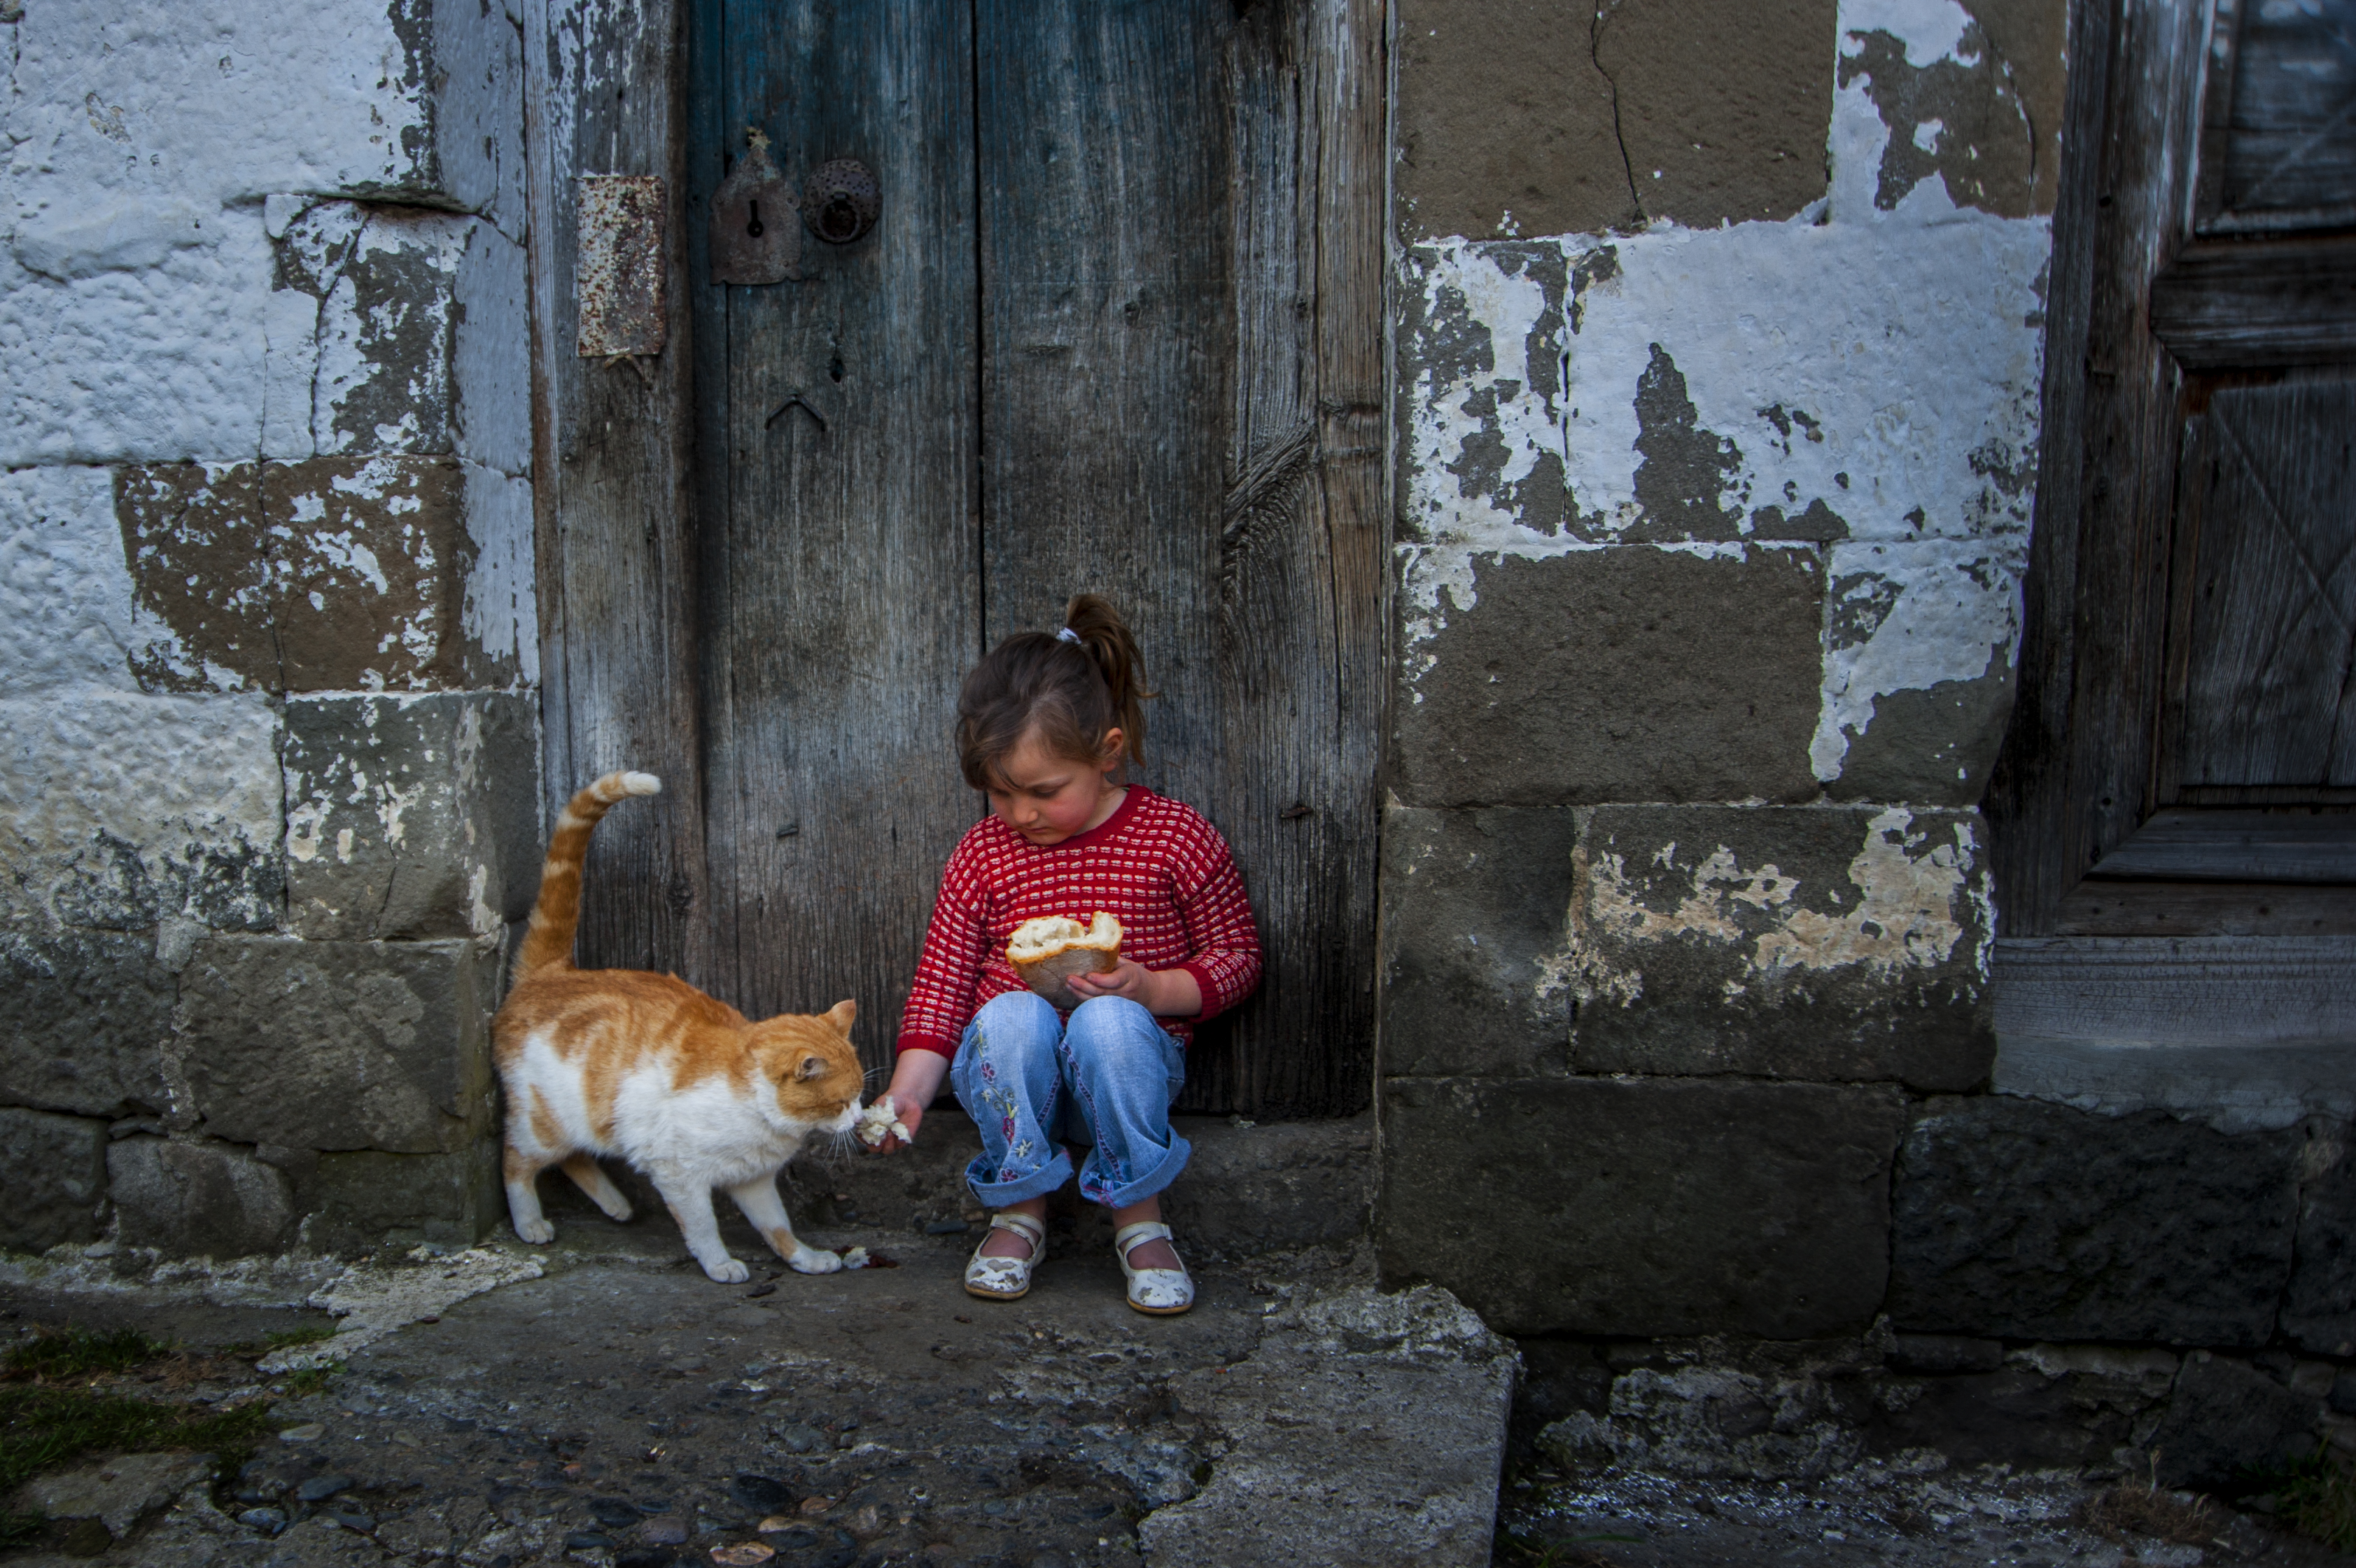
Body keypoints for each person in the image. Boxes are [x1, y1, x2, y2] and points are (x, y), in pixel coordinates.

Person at [863, 594, 1261, 1315]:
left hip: (1129, 1071)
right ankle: (1020, 1211)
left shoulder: (1174, 836)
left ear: (1107, 753)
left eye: (1045, 792)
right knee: (1011, 1013)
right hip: (1012, 1081)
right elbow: (944, 982)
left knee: (1107, 1021)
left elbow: (1237, 956)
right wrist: (910, 1091)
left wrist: (1151, 988)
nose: (1021, 814)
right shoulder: (984, 853)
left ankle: (1141, 1221)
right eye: (1000, 794)